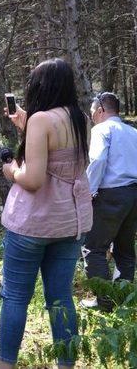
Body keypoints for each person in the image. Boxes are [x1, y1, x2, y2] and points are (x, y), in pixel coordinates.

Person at [0, 58, 92, 368]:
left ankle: (6, 364)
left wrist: (12, 170)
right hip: (70, 221)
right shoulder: (80, 118)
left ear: (40, 87)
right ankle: (66, 364)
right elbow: (62, 159)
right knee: (61, 299)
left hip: (33, 225)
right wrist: (27, 124)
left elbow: (35, 179)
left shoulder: (42, 120)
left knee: (14, 298)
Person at [82, 92, 137, 310]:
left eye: (93, 112)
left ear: (101, 110)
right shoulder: (133, 132)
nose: (92, 116)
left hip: (110, 196)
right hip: (133, 195)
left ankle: (105, 302)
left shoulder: (101, 129)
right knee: (125, 250)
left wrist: (89, 191)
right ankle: (122, 300)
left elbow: (97, 160)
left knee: (93, 248)